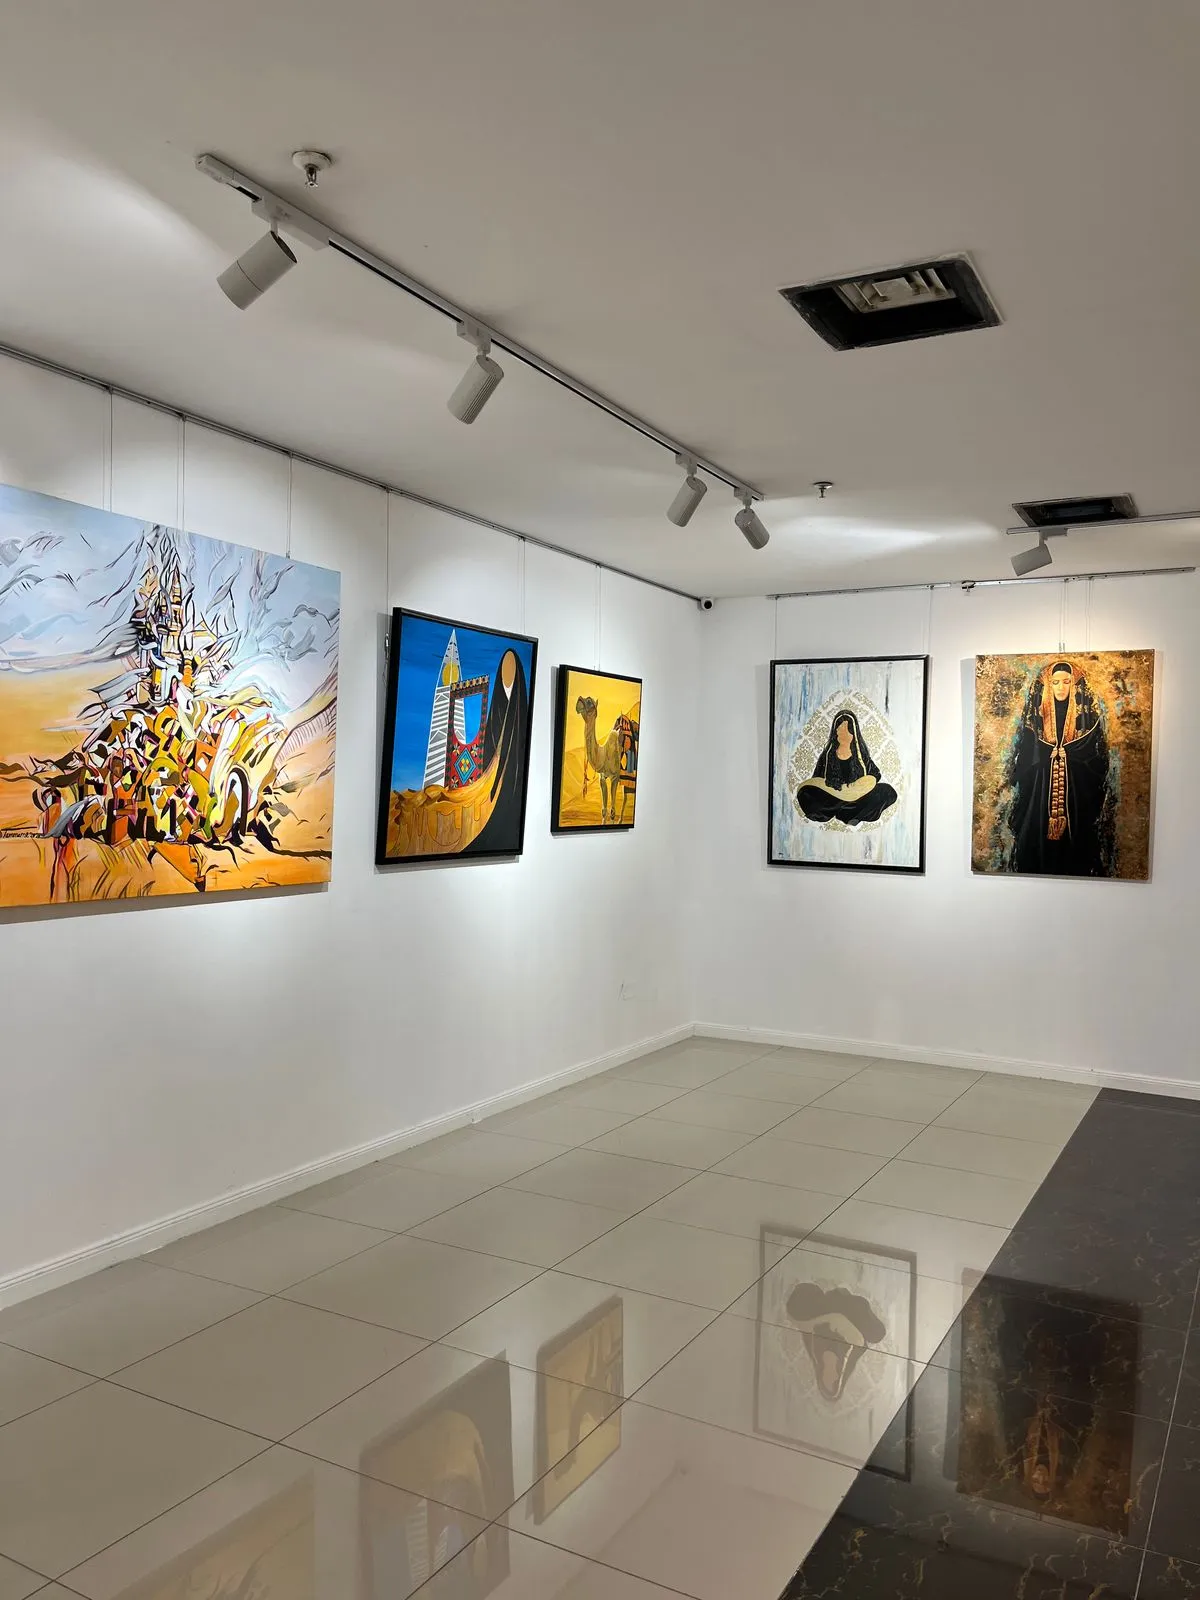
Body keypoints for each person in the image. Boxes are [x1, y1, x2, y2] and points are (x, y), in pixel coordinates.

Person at [1006, 659, 1112, 876]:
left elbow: (1098, 759)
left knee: (1078, 843)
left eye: (1066, 682)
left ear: (1074, 684)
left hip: (1076, 794)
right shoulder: (1035, 719)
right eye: (1055, 682)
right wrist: (1045, 757)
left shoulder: (1087, 720)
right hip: (1040, 790)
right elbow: (1025, 756)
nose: (1061, 687)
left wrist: (1073, 755)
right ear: (1048, 685)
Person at [796, 708, 898, 825]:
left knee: (887, 791)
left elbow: (875, 774)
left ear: (852, 733)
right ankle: (846, 812)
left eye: (842, 728)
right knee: (805, 792)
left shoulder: (860, 755)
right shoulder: (828, 755)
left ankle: (848, 813)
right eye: (837, 728)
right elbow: (817, 778)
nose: (838, 731)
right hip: (832, 799)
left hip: (857, 799)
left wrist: (861, 786)